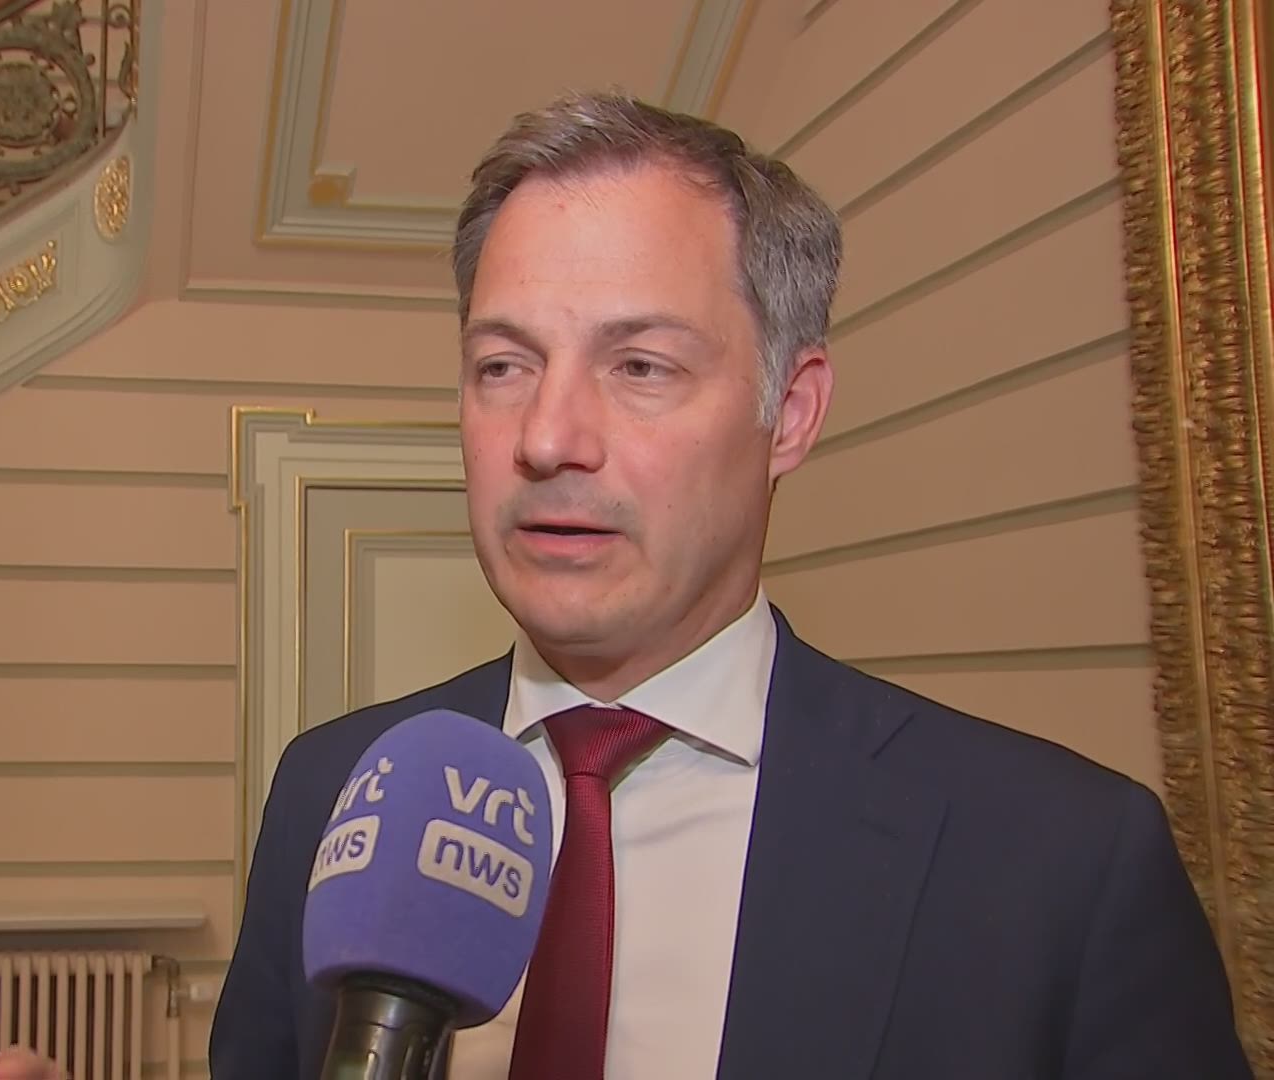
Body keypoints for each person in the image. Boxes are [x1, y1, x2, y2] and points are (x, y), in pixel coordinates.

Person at [208, 90, 1253, 1080]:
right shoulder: (328, 794)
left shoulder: (1061, 865)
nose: (547, 437)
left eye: (640, 366)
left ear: (789, 412)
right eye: (503, 366)